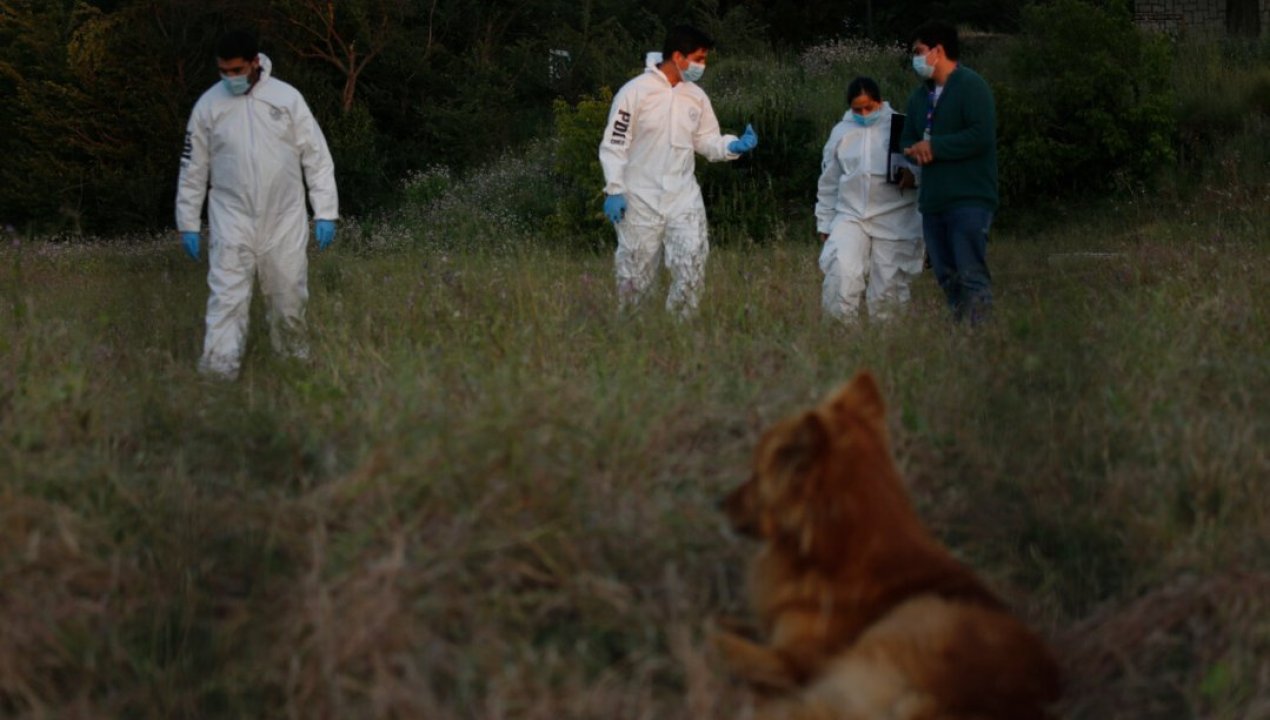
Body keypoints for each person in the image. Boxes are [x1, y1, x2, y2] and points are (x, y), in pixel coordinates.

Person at [175, 30, 339, 379]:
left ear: (254, 63)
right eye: (223, 71)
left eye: (236, 70)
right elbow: (193, 167)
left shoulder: (286, 99)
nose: (229, 78)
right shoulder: (208, 106)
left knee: (289, 299)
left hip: (283, 219)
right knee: (226, 302)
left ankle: (293, 369)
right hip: (231, 220)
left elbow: (316, 157)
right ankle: (218, 377)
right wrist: (187, 221)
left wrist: (325, 211)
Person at [598, 25, 758, 319]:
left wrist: (731, 145)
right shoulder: (634, 93)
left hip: (683, 196)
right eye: (699, 58)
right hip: (639, 197)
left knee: (692, 263)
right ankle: (634, 333)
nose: (702, 65)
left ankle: (680, 330)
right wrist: (614, 188)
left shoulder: (695, 96)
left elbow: (706, 139)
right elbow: (615, 143)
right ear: (677, 56)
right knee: (635, 271)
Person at [900, 21, 998, 324]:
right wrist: (914, 151)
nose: (915, 59)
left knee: (970, 272)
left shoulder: (972, 86)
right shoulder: (919, 98)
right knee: (946, 275)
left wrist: (936, 147)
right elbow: (906, 139)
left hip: (969, 198)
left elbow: (981, 135)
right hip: (933, 202)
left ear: (938, 51)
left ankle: (979, 336)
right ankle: (961, 335)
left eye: (919, 52)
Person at [814, 76, 924, 324]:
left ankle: (886, 344)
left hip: (896, 216)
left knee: (889, 287)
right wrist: (824, 221)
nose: (863, 113)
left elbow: (924, 167)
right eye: (857, 109)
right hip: (851, 215)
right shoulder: (841, 132)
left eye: (869, 107)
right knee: (841, 270)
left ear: (879, 101)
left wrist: (914, 174)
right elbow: (829, 180)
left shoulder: (902, 126)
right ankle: (838, 334)